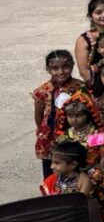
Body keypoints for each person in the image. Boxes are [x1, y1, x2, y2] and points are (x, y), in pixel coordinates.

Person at [32, 50, 86, 178]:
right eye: (55, 68)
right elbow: (38, 116)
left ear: (72, 65)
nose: (61, 72)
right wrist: (43, 133)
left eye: (65, 67)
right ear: (48, 69)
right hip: (50, 137)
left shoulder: (81, 88)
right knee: (52, 170)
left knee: (75, 166)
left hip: (74, 133)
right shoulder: (43, 90)